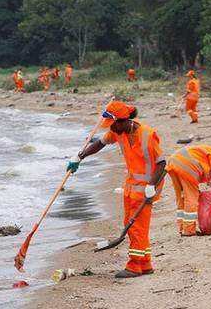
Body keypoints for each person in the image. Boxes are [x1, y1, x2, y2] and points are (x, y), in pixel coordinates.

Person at [66, 101, 166, 278]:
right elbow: (100, 143)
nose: (111, 128)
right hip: (130, 187)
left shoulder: (148, 135)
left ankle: (134, 266)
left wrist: (151, 186)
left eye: (113, 124)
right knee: (134, 226)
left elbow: (162, 163)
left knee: (136, 228)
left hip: (146, 189)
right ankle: (146, 263)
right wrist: (79, 157)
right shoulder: (118, 131)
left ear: (124, 120)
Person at [166, 145, 211, 236]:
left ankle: (182, 227)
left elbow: (202, 163)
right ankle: (189, 230)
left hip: (173, 161)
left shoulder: (209, 151)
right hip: (185, 165)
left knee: (181, 197)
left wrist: (208, 181)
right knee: (192, 197)